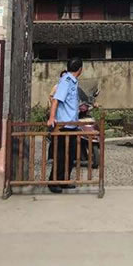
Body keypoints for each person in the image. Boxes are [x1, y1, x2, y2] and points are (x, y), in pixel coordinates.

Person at [46, 57, 83, 193]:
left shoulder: (73, 82)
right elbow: (56, 100)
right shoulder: (66, 81)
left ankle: (64, 180)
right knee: (61, 155)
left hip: (72, 125)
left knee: (70, 156)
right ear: (80, 69)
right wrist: (51, 118)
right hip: (63, 126)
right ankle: (53, 182)